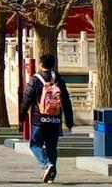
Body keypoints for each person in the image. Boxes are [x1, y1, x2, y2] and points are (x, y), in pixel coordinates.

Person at [19, 53, 74, 183]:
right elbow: (65, 100)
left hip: (39, 119)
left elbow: (26, 99)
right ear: (53, 65)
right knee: (51, 146)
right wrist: (69, 121)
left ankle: (45, 164)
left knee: (35, 144)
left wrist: (21, 116)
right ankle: (52, 175)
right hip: (55, 119)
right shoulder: (58, 79)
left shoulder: (35, 79)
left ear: (41, 64)